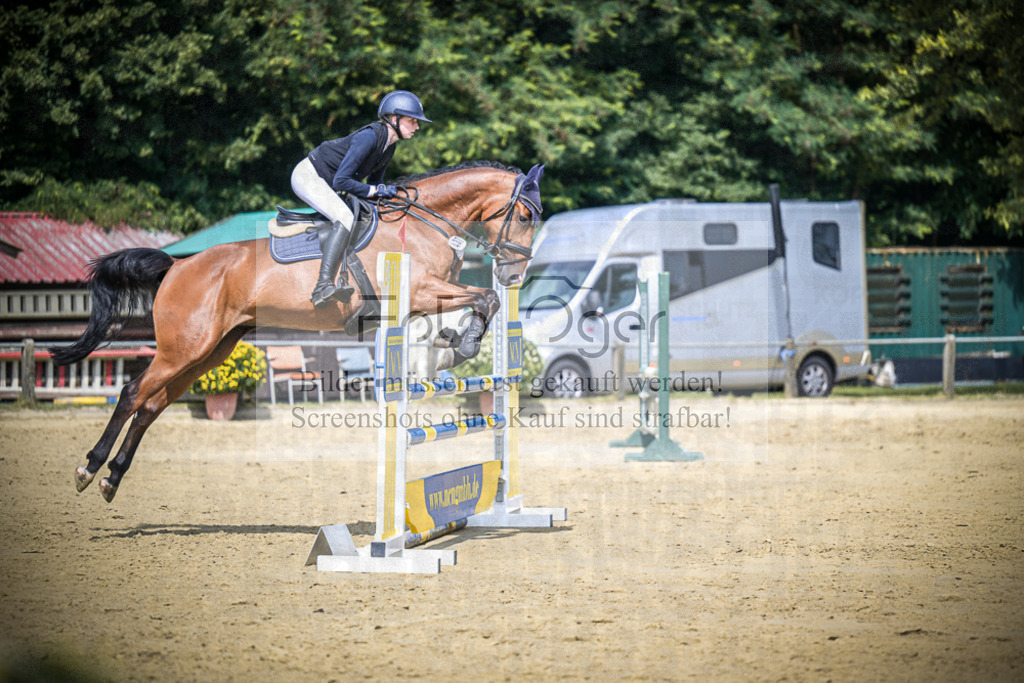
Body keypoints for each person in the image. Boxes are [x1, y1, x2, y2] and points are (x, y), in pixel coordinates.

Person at [291, 90, 431, 307]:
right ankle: (322, 286)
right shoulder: (369, 137)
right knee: (345, 217)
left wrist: (387, 195)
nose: (417, 126)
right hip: (309, 176)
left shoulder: (388, 146)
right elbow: (342, 181)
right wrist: (378, 191)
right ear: (394, 119)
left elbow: (374, 184)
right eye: (412, 120)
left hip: (330, 182)